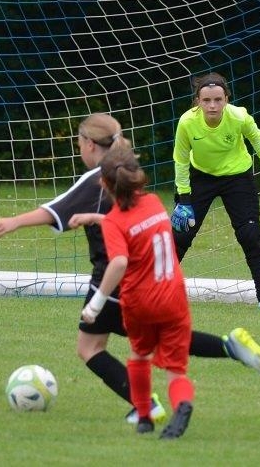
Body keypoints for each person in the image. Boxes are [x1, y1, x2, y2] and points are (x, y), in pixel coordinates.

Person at [0, 113, 260, 424]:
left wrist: (13, 222)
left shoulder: (98, 178)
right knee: (167, 338)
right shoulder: (128, 170)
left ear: (89, 144)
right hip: (152, 275)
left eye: (79, 142)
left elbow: (55, 211)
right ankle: (229, 347)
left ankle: (146, 406)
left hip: (115, 277)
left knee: (90, 347)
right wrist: (94, 219)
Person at [83, 144, 193, 438]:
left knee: (139, 357)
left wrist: (96, 304)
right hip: (173, 296)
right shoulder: (155, 203)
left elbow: (119, 261)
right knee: (176, 370)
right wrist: (97, 219)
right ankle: (182, 404)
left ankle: (144, 417)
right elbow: (137, 225)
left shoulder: (115, 222)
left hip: (140, 302)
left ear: (104, 183)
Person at [171, 72, 260, 311]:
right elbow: (181, 160)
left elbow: (256, 137)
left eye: (218, 99)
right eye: (207, 100)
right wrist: (183, 199)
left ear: (226, 99)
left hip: (238, 178)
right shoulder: (187, 122)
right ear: (197, 101)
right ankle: (155, 291)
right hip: (201, 177)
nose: (212, 105)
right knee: (181, 234)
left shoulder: (239, 116)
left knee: (250, 234)